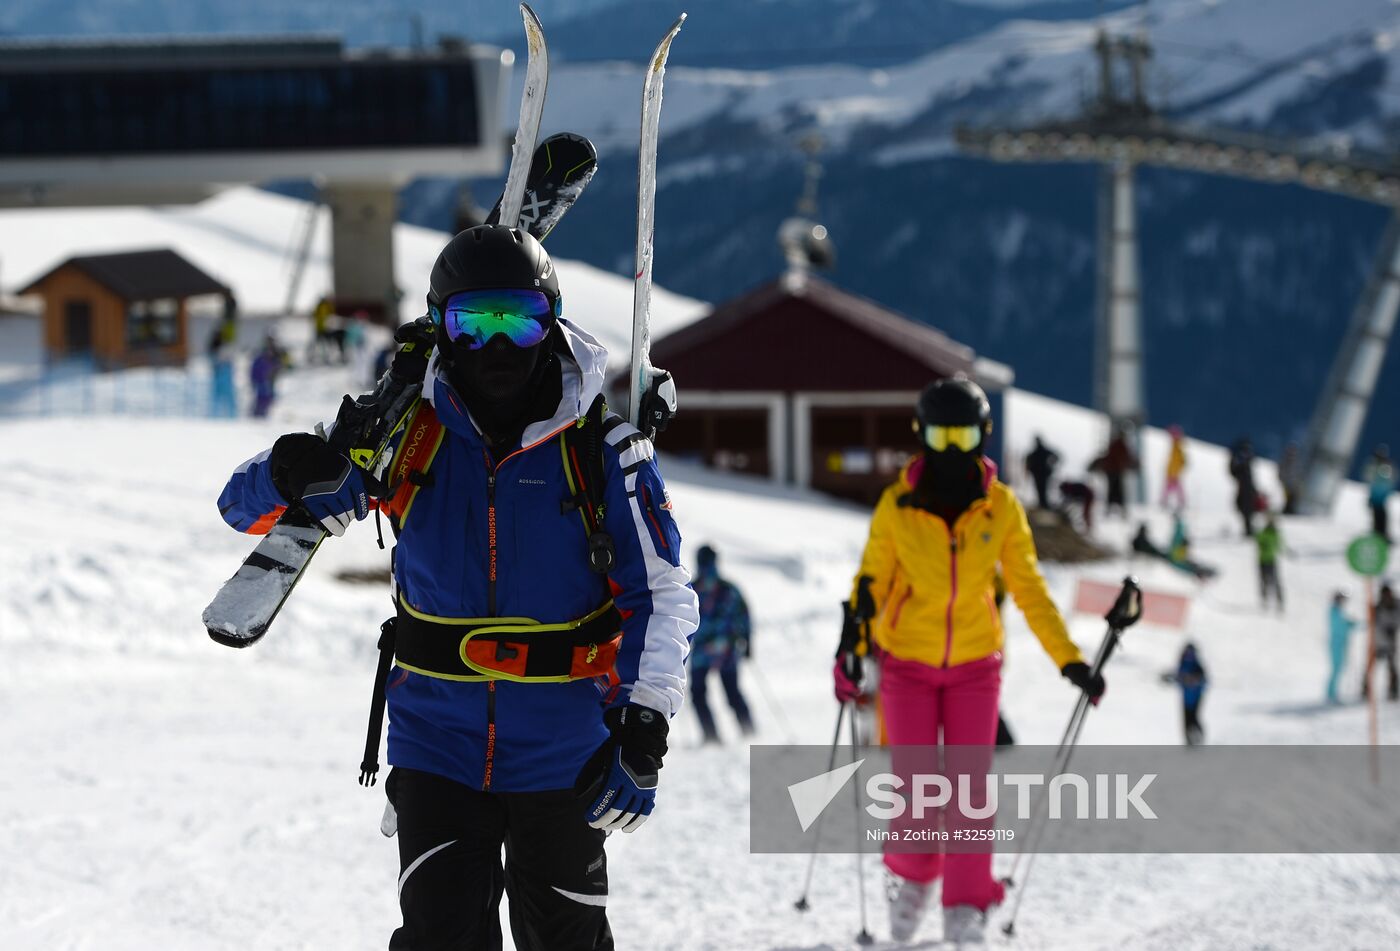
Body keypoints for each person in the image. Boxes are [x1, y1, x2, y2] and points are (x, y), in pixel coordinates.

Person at [215, 225, 699, 950]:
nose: (498, 348)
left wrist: (643, 725)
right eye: (474, 325)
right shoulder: (404, 430)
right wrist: (292, 466)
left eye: (522, 320)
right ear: (442, 330)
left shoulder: (601, 449)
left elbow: (660, 597)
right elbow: (238, 505)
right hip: (435, 745)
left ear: (554, 322)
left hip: (565, 750)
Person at [835, 376, 1102, 945]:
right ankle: (911, 879)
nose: (952, 449)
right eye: (940, 435)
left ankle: (966, 905)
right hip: (906, 664)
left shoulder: (1000, 508)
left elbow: (1029, 589)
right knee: (914, 792)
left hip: (975, 668)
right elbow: (871, 584)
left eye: (963, 436)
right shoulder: (898, 506)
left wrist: (1070, 660)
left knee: (968, 796)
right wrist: (852, 647)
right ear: (921, 435)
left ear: (982, 435)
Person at [688, 543, 755, 743]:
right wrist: (748, 642)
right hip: (727, 650)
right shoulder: (728, 589)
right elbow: (744, 616)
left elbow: (681, 620)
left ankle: (711, 736)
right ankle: (748, 731)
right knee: (732, 692)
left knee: (699, 694)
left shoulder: (692, 591)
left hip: (702, 652)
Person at [1090, 428, 1137, 520]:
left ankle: (1113, 508)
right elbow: (1123, 458)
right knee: (1117, 490)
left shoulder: (1116, 444)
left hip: (1113, 471)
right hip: (1115, 471)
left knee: (1113, 489)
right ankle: (1117, 509)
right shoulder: (1120, 445)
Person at [1366, 583, 1400, 702]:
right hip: (1378, 641)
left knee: (1391, 668)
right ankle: (1366, 690)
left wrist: (1391, 627)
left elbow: (1396, 619)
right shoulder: (1378, 606)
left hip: (1391, 642)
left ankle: (1393, 691)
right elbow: (1372, 623)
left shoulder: (1396, 605)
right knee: (1371, 667)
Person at [1170, 642, 1208, 745]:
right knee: (1186, 721)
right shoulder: (1182, 664)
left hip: (1196, 697)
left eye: (1190, 653)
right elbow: (1178, 678)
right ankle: (1188, 743)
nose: (1189, 655)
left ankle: (1201, 739)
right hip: (1186, 697)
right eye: (1187, 653)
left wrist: (1195, 681)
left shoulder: (1198, 666)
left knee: (1194, 718)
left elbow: (1204, 681)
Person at [207, 296, 238, 418]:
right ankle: (217, 416)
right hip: (221, 365)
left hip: (224, 365)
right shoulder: (221, 333)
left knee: (225, 394)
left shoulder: (226, 331)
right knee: (220, 394)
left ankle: (230, 417)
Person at [1328, 592, 1357, 704]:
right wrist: (1350, 624)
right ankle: (1331, 694)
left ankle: (1333, 693)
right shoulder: (1334, 611)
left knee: (1339, 669)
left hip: (1341, 643)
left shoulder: (1338, 611)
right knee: (1336, 669)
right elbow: (1340, 626)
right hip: (1336, 644)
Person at [1364, 445, 1395, 542]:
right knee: (1378, 518)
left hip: (1379, 499)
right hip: (1377, 498)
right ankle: (1378, 536)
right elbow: (1372, 482)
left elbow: (1383, 484)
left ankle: (1382, 537)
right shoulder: (1375, 466)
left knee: (1381, 518)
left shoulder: (1383, 467)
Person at [1229, 438, 1258, 537]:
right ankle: (1248, 530)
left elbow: (1233, 472)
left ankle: (1248, 529)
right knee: (1246, 509)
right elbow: (1234, 472)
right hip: (1245, 490)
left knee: (1247, 510)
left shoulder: (1243, 461)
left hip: (1246, 489)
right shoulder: (1242, 462)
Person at [1256, 513, 1284, 612]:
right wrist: (1262, 544)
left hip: (1271, 560)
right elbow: (1258, 540)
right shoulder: (1263, 532)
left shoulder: (1276, 533)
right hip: (1262, 560)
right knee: (1263, 581)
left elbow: (1281, 545)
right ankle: (1265, 600)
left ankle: (1280, 601)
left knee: (1275, 581)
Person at [248, 336, 282, 418]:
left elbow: (277, 366)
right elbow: (255, 369)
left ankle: (262, 414)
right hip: (262, 380)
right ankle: (257, 414)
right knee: (261, 397)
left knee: (268, 397)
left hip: (269, 380)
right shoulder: (261, 357)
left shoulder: (274, 355)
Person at [1023, 435, 1059, 510]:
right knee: (1040, 489)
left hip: (1043, 474)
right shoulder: (1036, 452)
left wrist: (1051, 465)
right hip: (1039, 474)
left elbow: (1056, 456)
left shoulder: (1043, 451)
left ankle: (1043, 504)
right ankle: (1042, 504)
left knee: (1042, 489)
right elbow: (1028, 462)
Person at [1162, 424, 1188, 511]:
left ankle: (1178, 502)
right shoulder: (1176, 445)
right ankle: (1179, 501)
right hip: (1172, 471)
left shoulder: (1177, 446)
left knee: (1171, 488)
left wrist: (1174, 472)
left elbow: (1179, 461)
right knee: (1174, 488)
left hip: (1173, 472)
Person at [1279, 442, 1302, 516]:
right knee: (1286, 501)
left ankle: (1289, 513)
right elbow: (1282, 473)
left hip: (1292, 487)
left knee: (1291, 501)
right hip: (1287, 486)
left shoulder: (1294, 462)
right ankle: (1286, 512)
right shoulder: (1287, 461)